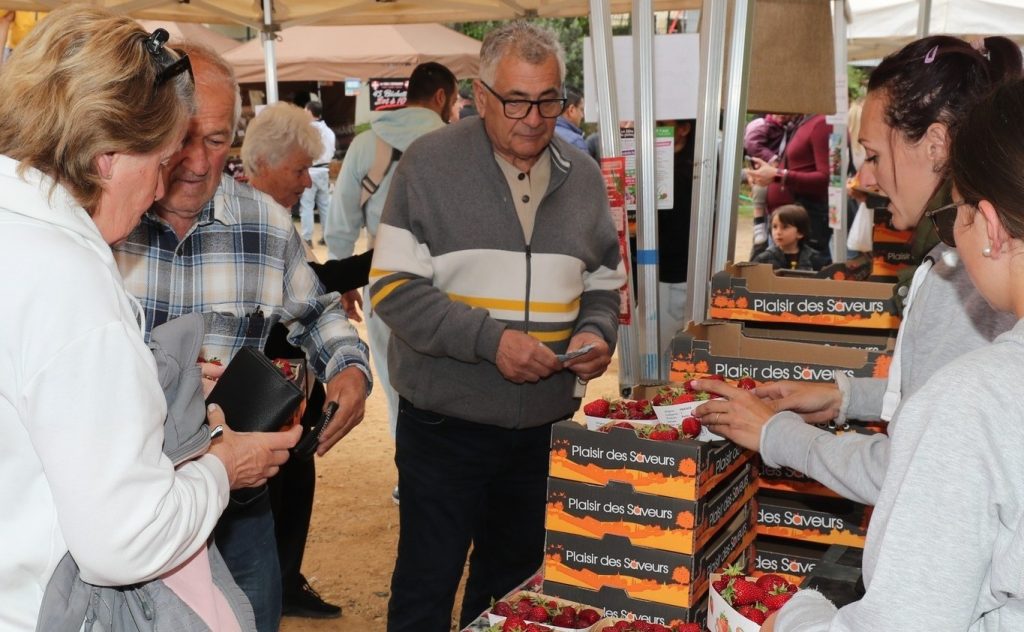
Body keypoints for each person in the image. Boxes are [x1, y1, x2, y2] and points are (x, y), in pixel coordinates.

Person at [0, 6, 297, 629]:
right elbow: (125, 541)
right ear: (108, 157)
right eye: (161, 163)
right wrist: (224, 468)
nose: (163, 189)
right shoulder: (70, 281)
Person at [709, 75, 1024, 632]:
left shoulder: (973, 398)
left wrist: (796, 612)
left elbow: (937, 445)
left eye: (961, 216)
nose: (865, 177)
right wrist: (850, 396)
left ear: (992, 227)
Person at [370, 21, 625, 631]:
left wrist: (596, 334)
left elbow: (604, 284)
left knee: (513, 589)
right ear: (478, 96)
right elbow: (392, 288)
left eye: (549, 100)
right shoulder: (429, 166)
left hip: (542, 425)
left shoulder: (583, 175)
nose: (534, 118)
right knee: (426, 587)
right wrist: (490, 341)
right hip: (444, 424)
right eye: (516, 100)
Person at [695, 35, 1022, 507]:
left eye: (873, 155)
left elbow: (911, 470)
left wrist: (776, 434)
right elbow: (938, 401)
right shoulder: (959, 260)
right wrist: (844, 397)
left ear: (935, 144)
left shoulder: (969, 273)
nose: (864, 178)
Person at [113, 42, 371, 632]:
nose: (199, 162)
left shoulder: (266, 224)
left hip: (236, 505)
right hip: (124, 498)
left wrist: (351, 370)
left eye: (217, 139)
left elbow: (319, 313)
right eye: (183, 135)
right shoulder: (105, 222)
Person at [241, 100, 373, 619]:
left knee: (296, 482)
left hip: (291, 383)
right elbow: (304, 290)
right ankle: (274, 590)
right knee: (273, 491)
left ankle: (286, 582)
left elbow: (307, 285)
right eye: (298, 169)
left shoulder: (277, 218)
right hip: (262, 389)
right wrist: (375, 261)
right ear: (262, 165)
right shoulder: (249, 219)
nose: (305, 181)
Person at [325, 60, 457, 503]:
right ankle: (452, 468)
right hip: (453, 280)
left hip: (382, 276)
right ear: (441, 97)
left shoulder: (367, 144)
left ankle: (412, 472)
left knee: (396, 378)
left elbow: (340, 218)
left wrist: (342, 278)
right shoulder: (456, 143)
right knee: (454, 373)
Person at [747, 113, 833, 262]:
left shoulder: (821, 123)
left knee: (806, 278)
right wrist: (765, 173)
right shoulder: (801, 123)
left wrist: (777, 175)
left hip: (804, 223)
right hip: (784, 222)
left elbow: (827, 179)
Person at [743, 113, 794, 255]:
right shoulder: (762, 125)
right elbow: (752, 144)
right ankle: (758, 224)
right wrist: (772, 159)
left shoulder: (789, 128)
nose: (783, 115)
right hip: (765, 172)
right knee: (760, 191)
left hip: (780, 184)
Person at [298, 100, 335, 247]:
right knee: (324, 206)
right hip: (324, 170)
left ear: (309, 112)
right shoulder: (329, 131)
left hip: (311, 171)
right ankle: (327, 237)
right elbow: (332, 151)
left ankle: (307, 238)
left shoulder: (307, 131)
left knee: (307, 205)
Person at [751, 203, 827, 271]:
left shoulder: (815, 259)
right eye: (774, 227)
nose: (778, 232)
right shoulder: (763, 260)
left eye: (785, 227)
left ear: (800, 232)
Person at [554, 87, 588, 154]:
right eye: (581, 110)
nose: (582, 116)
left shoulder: (544, 135)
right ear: (571, 110)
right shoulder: (576, 142)